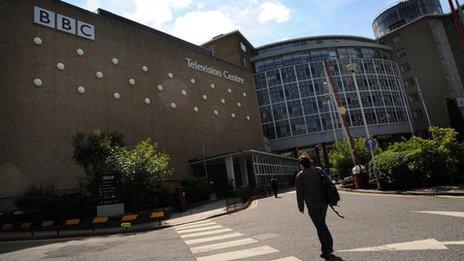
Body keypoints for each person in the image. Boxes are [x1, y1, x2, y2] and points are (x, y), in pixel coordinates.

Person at [295, 155, 334, 260]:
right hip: (323, 202)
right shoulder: (319, 170)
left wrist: (301, 206)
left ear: (301, 164)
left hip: (312, 205)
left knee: (320, 226)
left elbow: (300, 193)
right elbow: (329, 183)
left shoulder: (300, 175)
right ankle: (328, 247)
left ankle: (326, 250)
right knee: (322, 224)